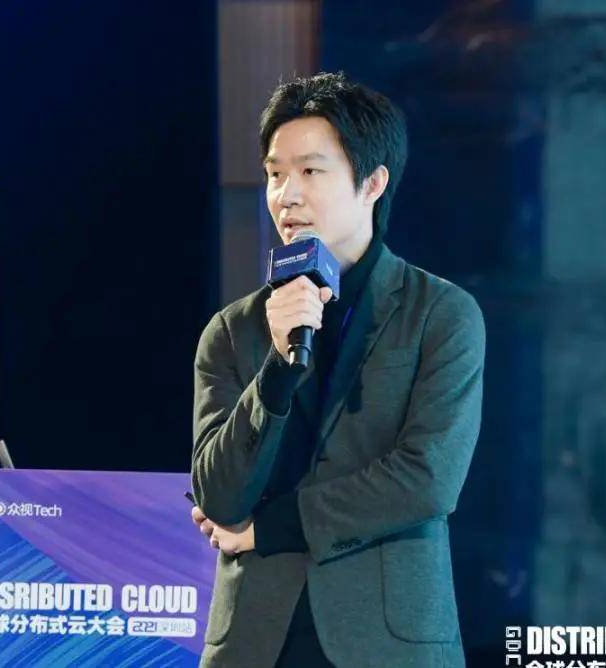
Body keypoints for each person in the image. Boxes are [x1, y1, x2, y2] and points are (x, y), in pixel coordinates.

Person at [189, 71, 485, 668]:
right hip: (253, 642)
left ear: (373, 182)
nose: (286, 195)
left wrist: (273, 527)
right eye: (275, 173)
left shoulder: (439, 313)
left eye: (310, 171)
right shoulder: (233, 330)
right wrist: (277, 368)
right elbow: (219, 496)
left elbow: (427, 478)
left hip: (388, 641)